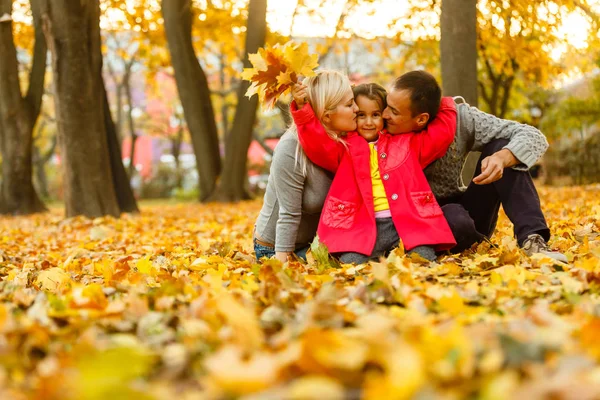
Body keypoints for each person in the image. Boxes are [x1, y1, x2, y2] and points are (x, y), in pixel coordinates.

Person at [382, 70, 567, 262]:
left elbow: (533, 136)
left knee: (504, 147)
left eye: (394, 111)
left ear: (421, 118)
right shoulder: (377, 125)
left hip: (467, 211)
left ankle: (532, 240)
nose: (385, 114)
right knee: (454, 218)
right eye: (387, 106)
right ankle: (476, 244)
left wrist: (503, 157)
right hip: (420, 222)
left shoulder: (461, 119)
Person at [291, 76, 457, 264]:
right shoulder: (344, 148)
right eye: (361, 115)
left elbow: (442, 134)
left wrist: (442, 102)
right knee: (351, 265)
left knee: (424, 261)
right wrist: (302, 107)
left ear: (384, 114)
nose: (368, 122)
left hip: (405, 227)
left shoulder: (406, 142)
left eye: (376, 114)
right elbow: (317, 143)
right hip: (360, 230)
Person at [253, 71, 358, 262]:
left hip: (315, 244)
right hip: (278, 248)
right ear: (327, 115)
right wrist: (281, 267)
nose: (357, 109)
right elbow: (288, 215)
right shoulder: (291, 148)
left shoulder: (344, 144)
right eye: (350, 104)